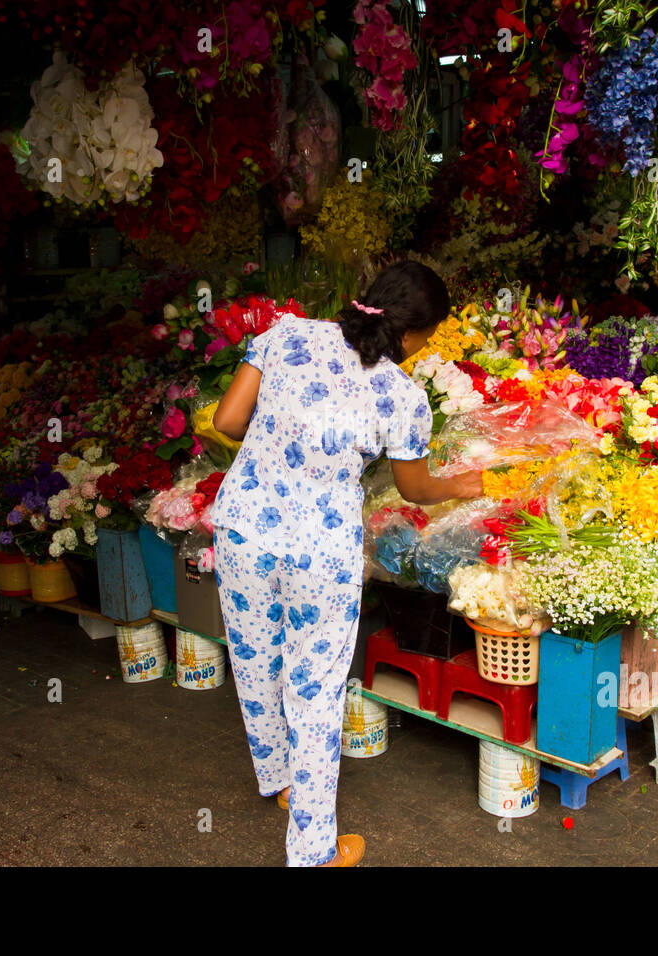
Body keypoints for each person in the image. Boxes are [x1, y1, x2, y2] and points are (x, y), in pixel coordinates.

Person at [210, 261, 483, 867]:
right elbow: (415, 490)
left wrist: (281, 449)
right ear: (414, 335)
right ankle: (312, 851)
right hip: (320, 555)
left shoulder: (285, 335)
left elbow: (227, 422)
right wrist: (460, 486)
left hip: (244, 532)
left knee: (255, 663)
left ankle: (278, 781)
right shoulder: (403, 397)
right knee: (317, 693)